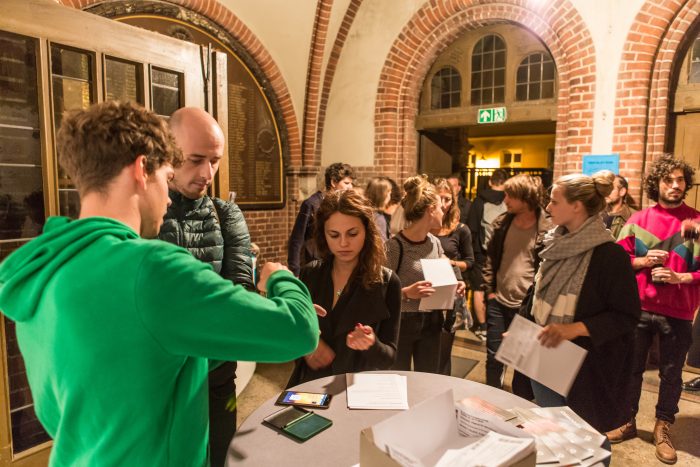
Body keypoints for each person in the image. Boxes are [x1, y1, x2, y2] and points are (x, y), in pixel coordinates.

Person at [0, 101, 320, 466]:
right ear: (141, 169)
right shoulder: (151, 269)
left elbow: (65, 407)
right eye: (166, 176)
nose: (168, 197)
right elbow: (298, 330)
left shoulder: (42, 267)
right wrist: (279, 277)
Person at [157, 107, 253, 465]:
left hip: (215, 372)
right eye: (196, 160)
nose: (207, 173)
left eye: (214, 161)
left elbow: (238, 293)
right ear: (167, 152)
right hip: (159, 377)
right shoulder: (146, 212)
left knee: (220, 455)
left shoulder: (225, 214)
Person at [526, 171, 640, 462]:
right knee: (555, 437)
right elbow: (537, 293)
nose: (548, 208)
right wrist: (524, 325)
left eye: (554, 201)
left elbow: (626, 316)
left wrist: (573, 329)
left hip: (587, 368)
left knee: (588, 444)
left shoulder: (609, 256)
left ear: (576, 206)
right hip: (545, 356)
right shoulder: (551, 246)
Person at [609, 155, 700, 464]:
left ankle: (663, 427)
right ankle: (627, 420)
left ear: (686, 184)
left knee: (672, 376)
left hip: (679, 311)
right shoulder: (639, 221)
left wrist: (680, 277)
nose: (675, 186)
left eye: (680, 180)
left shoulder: (696, 223)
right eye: (668, 180)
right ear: (656, 184)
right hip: (639, 309)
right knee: (630, 369)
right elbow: (618, 262)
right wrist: (644, 262)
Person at [288, 190, 401, 385]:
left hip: (359, 390)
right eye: (334, 235)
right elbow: (292, 338)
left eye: (352, 233)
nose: (343, 243)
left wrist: (372, 344)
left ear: (367, 231)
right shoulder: (310, 275)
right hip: (312, 385)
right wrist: (308, 346)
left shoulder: (387, 282)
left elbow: (389, 357)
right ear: (323, 234)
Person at [386, 175, 465, 373]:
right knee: (399, 376)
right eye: (439, 207)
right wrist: (405, 293)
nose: (443, 211)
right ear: (430, 210)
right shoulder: (395, 246)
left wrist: (454, 286)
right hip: (402, 322)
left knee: (429, 376)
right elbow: (379, 290)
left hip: (432, 320)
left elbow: (440, 276)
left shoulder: (434, 243)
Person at [482, 174, 549, 398]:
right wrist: (490, 292)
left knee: (523, 363)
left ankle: (521, 406)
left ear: (525, 197)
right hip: (498, 301)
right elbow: (490, 259)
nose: (505, 199)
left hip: (528, 308)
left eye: (510, 195)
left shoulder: (547, 227)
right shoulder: (502, 223)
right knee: (494, 357)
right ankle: (492, 400)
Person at [431, 178, 475, 375]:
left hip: (448, 292)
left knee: (443, 351)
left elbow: (470, 262)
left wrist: (451, 264)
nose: (443, 204)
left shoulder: (460, 229)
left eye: (447, 199)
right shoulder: (423, 226)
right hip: (424, 290)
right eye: (439, 198)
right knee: (424, 350)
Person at [287, 162, 354, 276]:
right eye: (346, 183)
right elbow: (297, 239)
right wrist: (295, 270)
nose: (350, 187)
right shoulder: (312, 204)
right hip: (313, 263)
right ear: (333, 182)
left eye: (351, 184)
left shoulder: (341, 204)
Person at [466, 168, 508, 341]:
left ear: (490, 182)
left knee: (478, 289)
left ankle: (482, 327)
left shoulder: (479, 201)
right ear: (505, 183)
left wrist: (473, 253)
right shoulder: (508, 200)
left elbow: (472, 229)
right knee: (497, 289)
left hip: (481, 254)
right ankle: (496, 325)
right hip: (502, 254)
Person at [603, 174, 638, 239]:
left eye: (611, 188)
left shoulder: (634, 217)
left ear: (622, 191)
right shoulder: (597, 214)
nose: (606, 192)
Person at [365, 177, 393, 242]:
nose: (390, 196)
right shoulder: (378, 218)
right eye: (389, 192)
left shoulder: (366, 213)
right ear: (382, 195)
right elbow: (382, 244)